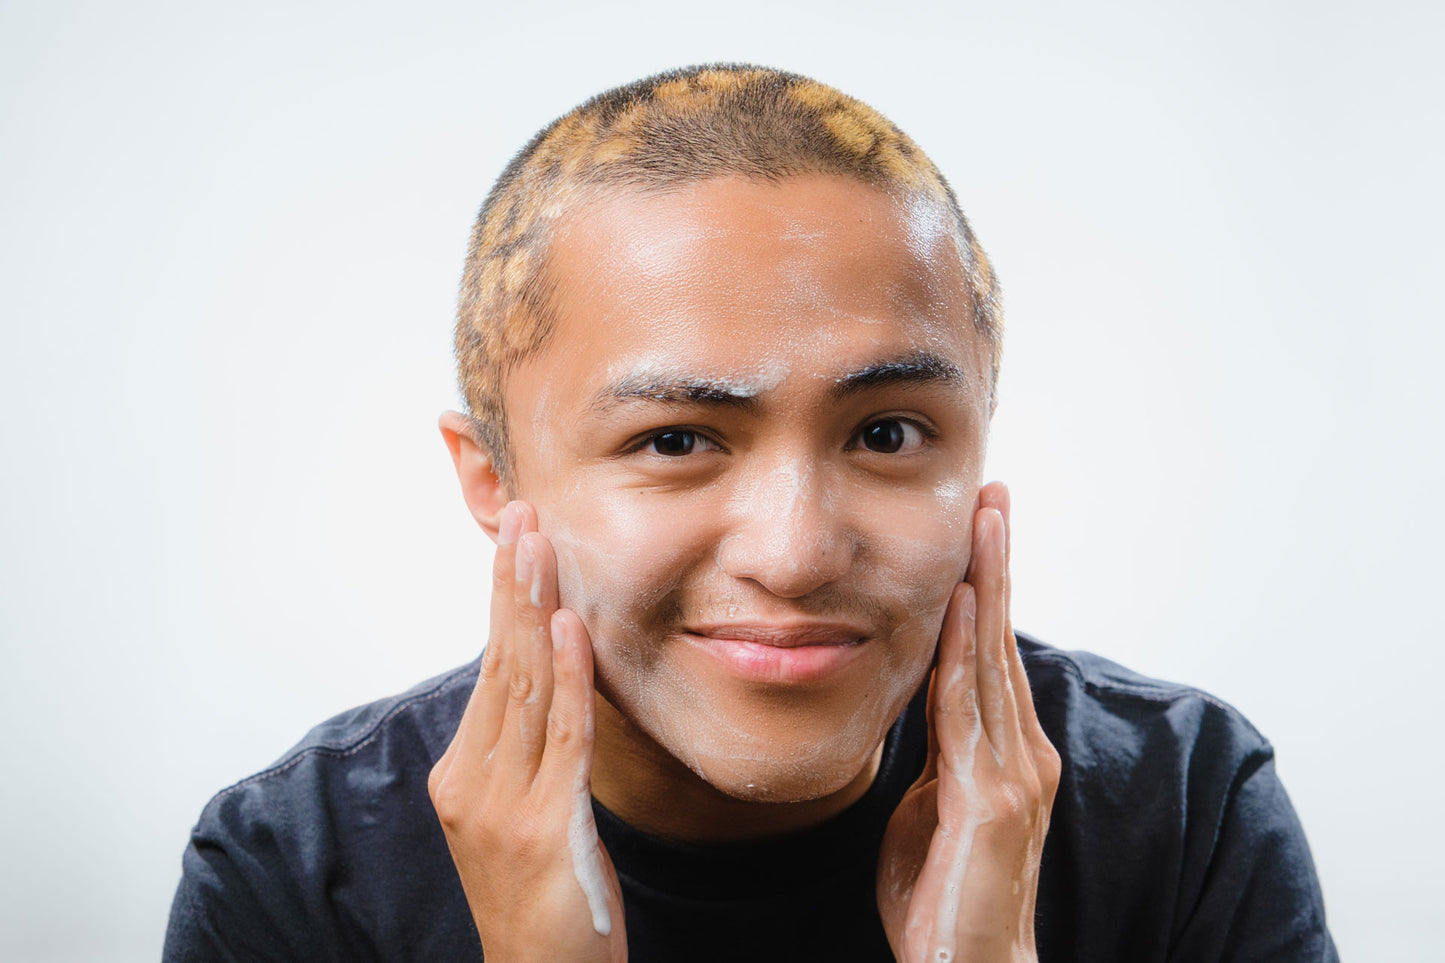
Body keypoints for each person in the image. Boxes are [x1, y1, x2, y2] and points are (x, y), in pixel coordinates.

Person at [164, 65, 1337, 962]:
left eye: (884, 434)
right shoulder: (296, 874)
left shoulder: (1181, 809)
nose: (793, 553)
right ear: (492, 479)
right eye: (674, 441)